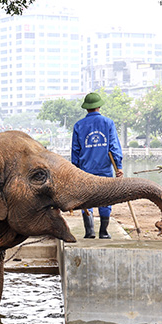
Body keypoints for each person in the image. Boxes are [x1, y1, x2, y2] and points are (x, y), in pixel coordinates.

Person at [71, 92, 123, 239]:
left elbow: (75, 150)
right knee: (106, 199)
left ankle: (89, 231)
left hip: (85, 170)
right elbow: (114, 147)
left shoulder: (79, 125)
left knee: (86, 200)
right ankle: (104, 232)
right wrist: (118, 167)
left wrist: (74, 170)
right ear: (99, 106)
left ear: (86, 108)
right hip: (105, 169)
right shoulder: (108, 123)